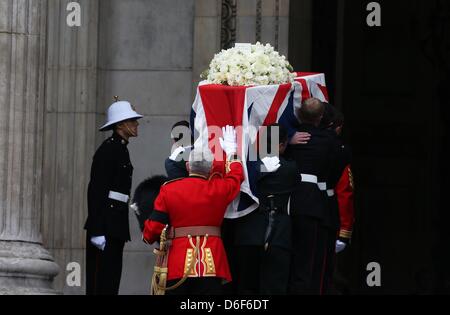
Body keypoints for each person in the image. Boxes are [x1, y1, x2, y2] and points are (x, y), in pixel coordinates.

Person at [143, 126, 244, 295]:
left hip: (177, 263)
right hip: (212, 261)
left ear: (189, 166)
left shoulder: (169, 190)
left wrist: (147, 236)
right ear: (211, 168)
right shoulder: (219, 189)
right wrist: (232, 152)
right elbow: (236, 176)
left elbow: (154, 226)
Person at [84, 98, 143, 295]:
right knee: (101, 283)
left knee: (111, 283)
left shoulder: (121, 149)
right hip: (105, 225)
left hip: (115, 224)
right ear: (120, 125)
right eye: (132, 120)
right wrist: (96, 229)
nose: (136, 124)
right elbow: (96, 190)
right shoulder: (108, 149)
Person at [234, 124, 298, 295]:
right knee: (274, 286)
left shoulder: (249, 168)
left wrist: (259, 167)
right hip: (279, 234)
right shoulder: (290, 168)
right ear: (282, 145)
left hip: (249, 233)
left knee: (247, 288)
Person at [285, 98, 337, 295]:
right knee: (306, 261)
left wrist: (288, 137)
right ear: (321, 117)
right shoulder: (329, 140)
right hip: (312, 204)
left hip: (287, 201)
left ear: (299, 114)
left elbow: (264, 145)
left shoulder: (289, 137)